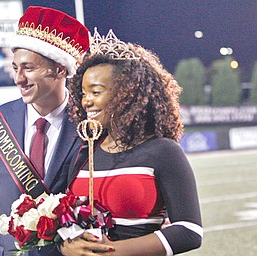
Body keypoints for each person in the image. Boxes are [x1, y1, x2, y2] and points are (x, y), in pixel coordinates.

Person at [61, 28, 203, 255]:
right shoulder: (84, 151)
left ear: (127, 94)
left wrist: (110, 251)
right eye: (83, 93)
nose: (86, 101)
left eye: (96, 92)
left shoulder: (163, 151)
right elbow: (68, 223)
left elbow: (189, 231)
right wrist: (67, 244)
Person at [0, 6, 90, 256]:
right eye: (15, 68)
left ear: (60, 69)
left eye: (28, 68)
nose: (18, 78)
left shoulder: (89, 124)